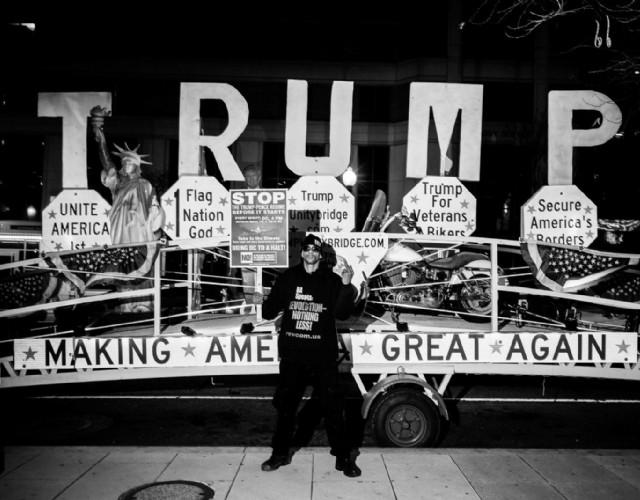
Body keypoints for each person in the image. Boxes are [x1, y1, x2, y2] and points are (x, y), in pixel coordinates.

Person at [254, 234, 361, 477]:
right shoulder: (288, 278)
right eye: (307, 248)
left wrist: (346, 284)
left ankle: (344, 457)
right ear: (302, 253)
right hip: (293, 354)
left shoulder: (332, 280)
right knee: (286, 407)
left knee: (333, 408)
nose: (311, 252)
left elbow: (343, 314)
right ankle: (279, 453)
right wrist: (261, 300)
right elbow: (270, 311)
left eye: (315, 249)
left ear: (320, 255)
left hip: (323, 355)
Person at [91, 105, 165, 312]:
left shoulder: (144, 184)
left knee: (141, 265)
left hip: (140, 233)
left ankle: (143, 305)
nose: (125, 165)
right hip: (121, 232)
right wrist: (99, 129)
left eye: (129, 162)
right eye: (123, 162)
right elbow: (106, 161)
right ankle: (126, 305)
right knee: (124, 266)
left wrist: (155, 222)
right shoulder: (118, 184)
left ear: (137, 165)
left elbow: (154, 208)